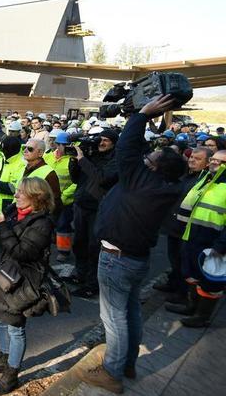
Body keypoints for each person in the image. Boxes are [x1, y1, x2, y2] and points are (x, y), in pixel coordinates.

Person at [77, 96, 188, 394]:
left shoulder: (140, 180)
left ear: (153, 169)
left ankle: (112, 373)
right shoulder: (167, 185)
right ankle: (127, 362)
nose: (144, 160)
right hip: (136, 259)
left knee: (113, 319)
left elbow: (127, 148)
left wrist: (141, 115)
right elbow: (137, 151)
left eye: (149, 161)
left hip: (116, 258)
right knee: (131, 312)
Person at [0, 178, 56, 395]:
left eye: (21, 193)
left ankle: (12, 374)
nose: (15, 196)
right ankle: (3, 358)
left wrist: (3, 225)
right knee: (0, 319)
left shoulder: (42, 223)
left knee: (15, 327)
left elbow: (23, 253)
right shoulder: (14, 210)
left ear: (36, 197)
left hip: (22, 282)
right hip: (4, 275)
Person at [167, 150, 226, 328]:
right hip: (194, 238)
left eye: (221, 161)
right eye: (213, 159)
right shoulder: (208, 179)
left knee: (211, 283)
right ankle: (192, 306)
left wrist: (220, 246)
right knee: (193, 275)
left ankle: (202, 316)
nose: (214, 162)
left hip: (215, 244)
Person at [67, 130, 118, 298]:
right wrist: (75, 160)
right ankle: (79, 275)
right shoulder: (91, 155)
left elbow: (102, 178)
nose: (101, 143)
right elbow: (76, 178)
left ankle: (92, 284)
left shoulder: (115, 160)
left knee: (94, 247)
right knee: (79, 243)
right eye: (99, 140)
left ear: (113, 143)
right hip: (81, 205)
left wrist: (83, 160)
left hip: (99, 209)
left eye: (106, 140)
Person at [157, 148, 211, 305]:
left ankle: (184, 294)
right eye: (191, 157)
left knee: (183, 263)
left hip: (187, 230)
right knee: (175, 260)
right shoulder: (186, 176)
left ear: (207, 163)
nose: (192, 160)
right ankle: (174, 285)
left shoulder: (204, 181)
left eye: (197, 158)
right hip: (174, 227)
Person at [44, 132, 78, 261]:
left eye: (67, 144)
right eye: (62, 144)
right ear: (56, 144)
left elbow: (77, 182)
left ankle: (64, 251)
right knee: (48, 221)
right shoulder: (48, 157)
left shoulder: (73, 159)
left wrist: (64, 196)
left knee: (63, 225)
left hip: (65, 200)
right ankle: (51, 239)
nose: (65, 147)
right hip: (48, 199)